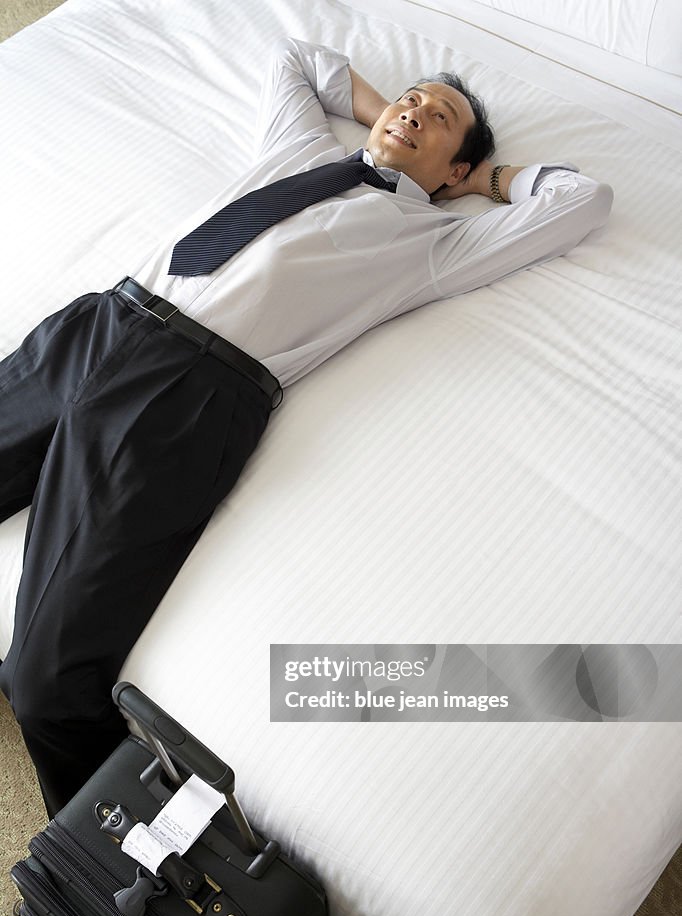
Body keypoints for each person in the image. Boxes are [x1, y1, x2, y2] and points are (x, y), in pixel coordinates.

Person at [0, 38, 613, 819]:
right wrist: (388, 114)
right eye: (413, 100)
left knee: (47, 679)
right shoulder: (300, 146)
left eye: (441, 119)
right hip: (100, 321)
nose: (416, 112)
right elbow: (294, 57)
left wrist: (491, 180)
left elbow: (583, 201)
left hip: (184, 392)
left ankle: (113, 859)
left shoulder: (433, 241)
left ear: (455, 173)